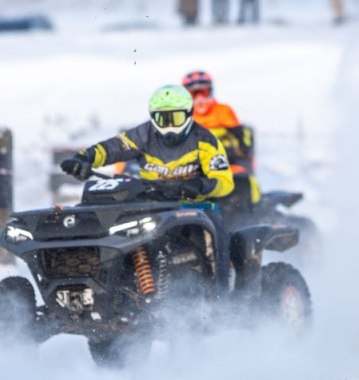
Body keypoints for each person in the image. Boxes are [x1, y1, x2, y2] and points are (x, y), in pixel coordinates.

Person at [60, 84, 234, 291]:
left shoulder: (205, 140)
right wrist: (83, 158)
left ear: (188, 114)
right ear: (153, 117)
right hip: (152, 203)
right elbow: (111, 148)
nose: (169, 126)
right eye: (162, 119)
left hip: (194, 205)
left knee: (217, 234)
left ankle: (221, 296)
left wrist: (197, 185)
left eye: (175, 118)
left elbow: (225, 182)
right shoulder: (143, 134)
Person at [182, 71, 259, 227]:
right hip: (191, 167)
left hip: (226, 162)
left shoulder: (223, 111)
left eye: (202, 92)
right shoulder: (182, 116)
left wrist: (236, 149)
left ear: (210, 91)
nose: (199, 98)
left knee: (240, 180)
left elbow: (242, 139)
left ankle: (248, 217)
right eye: (193, 93)